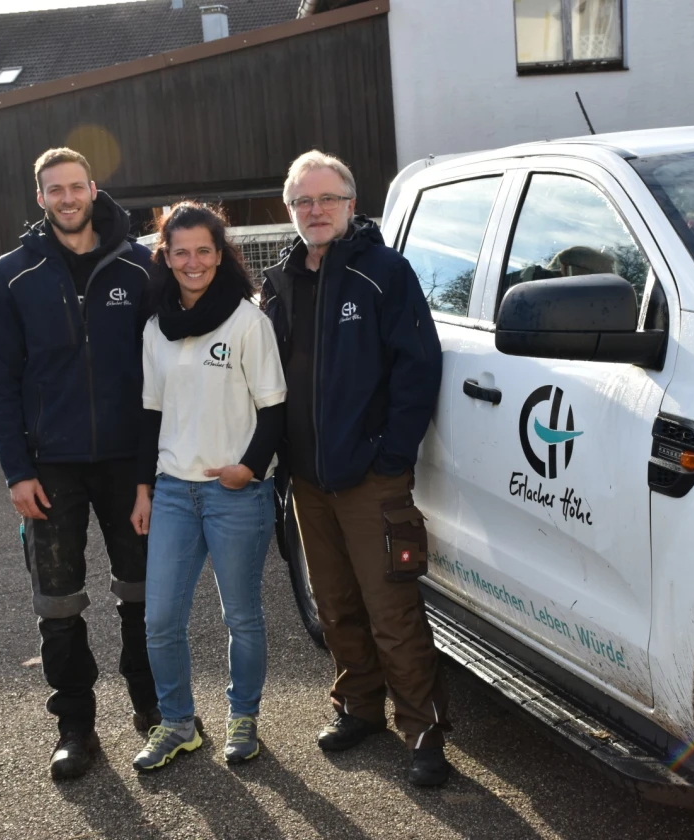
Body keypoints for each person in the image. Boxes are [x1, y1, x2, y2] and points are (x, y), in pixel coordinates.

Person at [261, 151, 450, 786]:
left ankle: (422, 730)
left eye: (326, 199)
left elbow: (418, 367)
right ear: (290, 211)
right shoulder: (282, 283)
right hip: (308, 480)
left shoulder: (384, 273)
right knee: (336, 605)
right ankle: (359, 708)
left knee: (390, 608)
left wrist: (391, 455)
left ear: (350, 202)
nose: (315, 211)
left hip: (371, 479)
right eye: (302, 203)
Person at [0, 147, 159, 781]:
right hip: (48, 466)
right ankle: (76, 728)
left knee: (142, 591)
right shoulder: (12, 274)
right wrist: (15, 470)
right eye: (53, 189)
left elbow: (163, 374)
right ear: (40, 197)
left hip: (127, 460)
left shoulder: (140, 267)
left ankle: (152, 708)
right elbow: (0, 382)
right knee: (57, 601)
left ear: (92, 189)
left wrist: (149, 472)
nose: (66, 198)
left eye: (75, 187)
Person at [130, 202, 286, 772]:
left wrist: (248, 468)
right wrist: (144, 488)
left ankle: (242, 718)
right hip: (173, 490)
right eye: (180, 252)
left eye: (203, 250)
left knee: (240, 615)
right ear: (165, 258)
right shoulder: (155, 330)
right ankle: (177, 725)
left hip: (234, 493)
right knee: (160, 619)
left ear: (219, 256)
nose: (192, 262)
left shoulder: (249, 322)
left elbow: (273, 410)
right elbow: (150, 415)